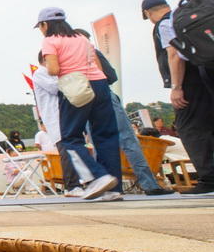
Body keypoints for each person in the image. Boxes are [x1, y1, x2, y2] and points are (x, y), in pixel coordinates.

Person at [72, 28, 174, 196]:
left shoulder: (72, 57)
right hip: (104, 97)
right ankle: (148, 184)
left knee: (100, 143)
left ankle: (107, 186)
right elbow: (110, 76)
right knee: (128, 140)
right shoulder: (92, 52)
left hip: (85, 100)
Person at [36, 7, 119, 200]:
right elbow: (96, 65)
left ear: (45, 24)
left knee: (70, 137)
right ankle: (113, 189)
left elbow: (55, 69)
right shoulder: (82, 39)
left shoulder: (50, 40)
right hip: (99, 84)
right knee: (105, 134)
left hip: (75, 86)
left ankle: (98, 177)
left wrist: (50, 67)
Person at [157, 0, 214, 194]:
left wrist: (176, 87)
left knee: (197, 129)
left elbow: (175, 55)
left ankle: (209, 180)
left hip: (206, 70)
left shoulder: (176, 14)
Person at [33, 51, 86, 197]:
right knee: (67, 149)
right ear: (46, 58)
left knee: (73, 148)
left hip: (66, 115)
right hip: (56, 117)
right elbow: (55, 88)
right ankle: (71, 186)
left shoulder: (53, 74)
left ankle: (78, 183)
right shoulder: (40, 73)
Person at [141, 0, 173, 89]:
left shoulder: (162, 24)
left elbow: (173, 54)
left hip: (186, 79)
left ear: (147, 12)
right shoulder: (179, 17)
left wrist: (176, 86)